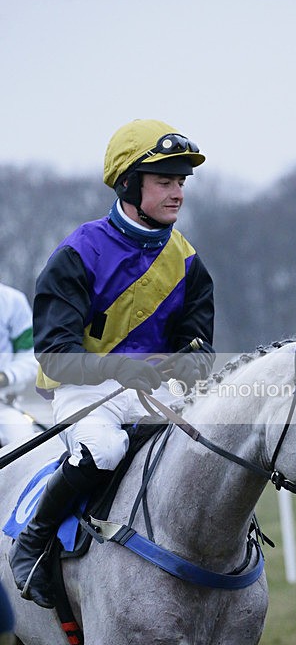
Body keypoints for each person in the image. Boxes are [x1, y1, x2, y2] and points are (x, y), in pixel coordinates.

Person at [8, 118, 215, 610]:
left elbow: (201, 351)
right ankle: (33, 545)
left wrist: (184, 366)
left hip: (156, 393)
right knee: (103, 449)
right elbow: (56, 354)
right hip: (85, 392)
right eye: (165, 181)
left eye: (181, 182)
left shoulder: (189, 262)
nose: (177, 193)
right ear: (128, 184)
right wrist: (122, 371)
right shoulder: (78, 253)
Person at [0, 282, 39, 446]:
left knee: (25, 445)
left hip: (3, 406)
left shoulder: (12, 301)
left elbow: (31, 356)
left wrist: (6, 376)